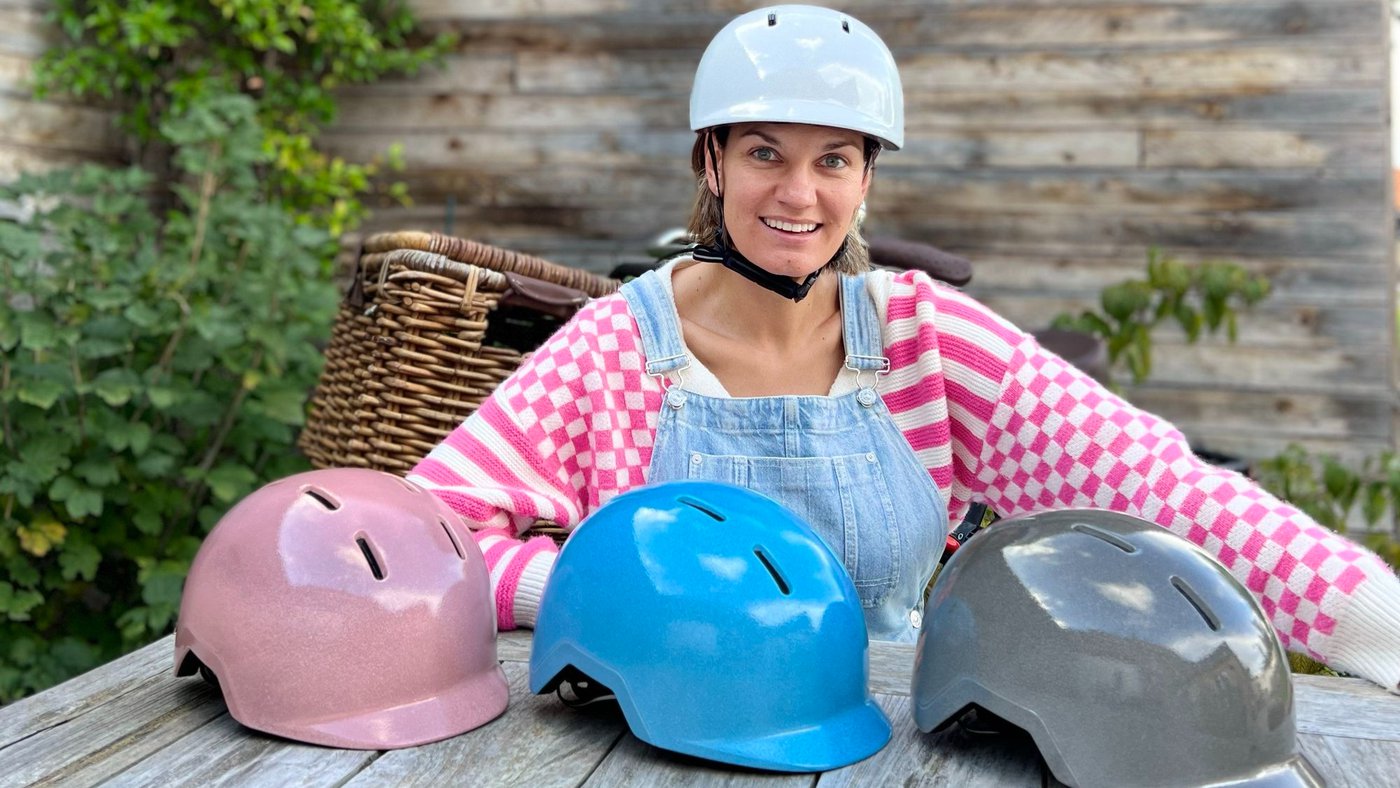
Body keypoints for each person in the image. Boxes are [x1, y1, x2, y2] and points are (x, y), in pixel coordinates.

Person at [408, 5, 1400, 691]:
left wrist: (1370, 619)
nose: (798, 194)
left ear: (865, 177)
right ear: (710, 162)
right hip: (641, 735)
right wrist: (582, 589)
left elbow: (1156, 484)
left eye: (831, 158)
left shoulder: (927, 343)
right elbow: (425, 530)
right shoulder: (616, 349)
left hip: (889, 738)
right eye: (764, 152)